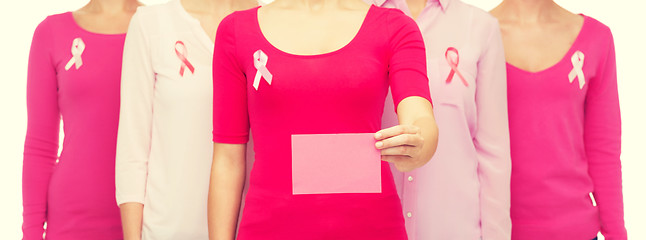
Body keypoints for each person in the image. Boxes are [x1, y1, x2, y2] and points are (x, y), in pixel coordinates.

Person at [208, 0, 439, 239]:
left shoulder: (396, 27)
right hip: (270, 229)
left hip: (372, 228)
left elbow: (420, 116)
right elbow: (228, 159)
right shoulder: (236, 30)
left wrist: (419, 142)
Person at [367, 0, 511, 239]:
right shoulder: (354, 22)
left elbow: (493, 153)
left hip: (454, 228)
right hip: (372, 227)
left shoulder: (480, 27)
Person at [115, 0, 257, 239]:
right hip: (167, 232)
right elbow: (132, 152)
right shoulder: (150, 24)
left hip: (253, 228)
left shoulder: (272, 24)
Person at [490, 1, 626, 239]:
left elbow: (603, 151)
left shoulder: (596, 38)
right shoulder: (474, 35)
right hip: (494, 230)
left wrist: (617, 234)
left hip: (577, 231)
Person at [22, 0, 141, 239]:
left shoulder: (159, 27)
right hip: (71, 222)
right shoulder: (52, 32)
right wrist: (32, 233)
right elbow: (40, 146)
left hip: (146, 219)